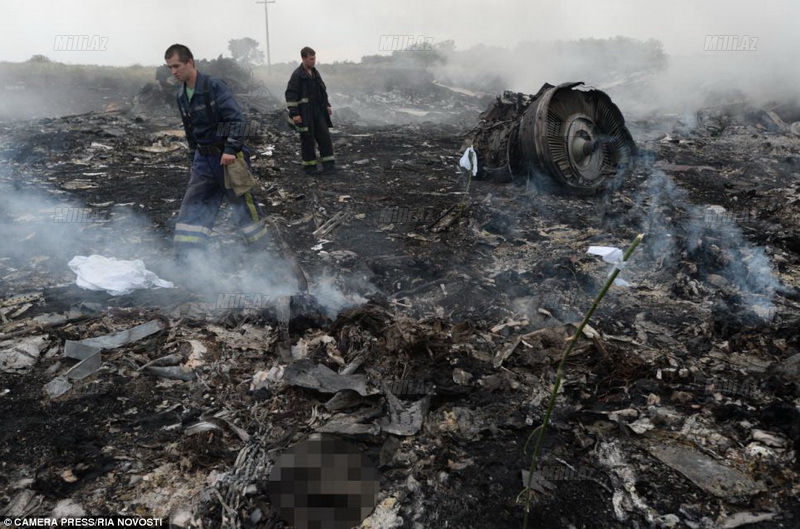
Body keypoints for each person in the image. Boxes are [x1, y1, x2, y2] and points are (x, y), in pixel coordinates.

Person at [164, 44, 267, 258]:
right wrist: (194, 158)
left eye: (177, 66)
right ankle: (188, 257)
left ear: (190, 62)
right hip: (204, 159)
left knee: (243, 206)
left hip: (228, 157)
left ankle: (263, 251)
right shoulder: (182, 94)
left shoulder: (213, 86)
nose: (174, 72)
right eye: (170, 68)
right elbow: (190, 130)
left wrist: (230, 149)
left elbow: (236, 119)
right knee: (193, 204)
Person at [285, 47, 336, 174]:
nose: (314, 61)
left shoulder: (315, 72)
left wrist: (327, 104)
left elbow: (322, 89)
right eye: (311, 59)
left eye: (314, 58)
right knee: (308, 139)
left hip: (318, 110)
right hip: (305, 112)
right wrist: (295, 113)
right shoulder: (297, 75)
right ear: (303, 58)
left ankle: (329, 165)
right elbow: (291, 95)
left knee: (324, 136)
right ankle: (310, 167)